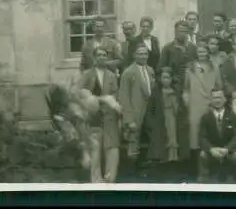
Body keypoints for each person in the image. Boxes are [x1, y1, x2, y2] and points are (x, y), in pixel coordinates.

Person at [74, 46, 122, 183]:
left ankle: (110, 178)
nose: (102, 57)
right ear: (94, 58)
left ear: (107, 58)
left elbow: (115, 94)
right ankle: (96, 180)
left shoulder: (112, 76)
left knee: (112, 148)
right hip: (93, 117)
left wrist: (108, 102)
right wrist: (91, 102)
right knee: (95, 149)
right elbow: (78, 92)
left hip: (109, 115)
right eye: (99, 55)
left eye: (104, 55)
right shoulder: (87, 74)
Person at [159, 21, 198, 167]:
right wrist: (171, 80)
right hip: (173, 91)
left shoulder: (193, 48)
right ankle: (173, 158)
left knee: (188, 122)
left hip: (190, 91)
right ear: (175, 32)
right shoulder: (168, 49)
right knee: (173, 124)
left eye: (185, 31)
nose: (182, 33)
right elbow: (161, 69)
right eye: (179, 31)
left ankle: (189, 156)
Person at [182, 44, 223, 178]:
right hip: (195, 105)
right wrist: (187, 101)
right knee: (195, 137)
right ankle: (199, 171)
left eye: (204, 50)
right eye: (199, 51)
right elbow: (186, 89)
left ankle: (213, 170)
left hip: (210, 105)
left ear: (207, 52)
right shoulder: (190, 68)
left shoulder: (214, 67)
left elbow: (219, 86)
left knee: (210, 134)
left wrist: (216, 102)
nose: (201, 53)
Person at [118, 45, 156, 177]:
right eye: (140, 54)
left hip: (149, 113)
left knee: (151, 140)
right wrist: (128, 120)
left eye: (145, 54)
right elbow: (123, 98)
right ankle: (131, 173)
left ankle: (147, 170)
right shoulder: (128, 73)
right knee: (133, 142)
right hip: (135, 113)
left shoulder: (150, 70)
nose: (143, 56)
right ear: (134, 55)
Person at [198, 89, 236, 183]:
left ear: (225, 99)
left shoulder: (232, 116)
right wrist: (211, 149)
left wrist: (227, 149)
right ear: (211, 100)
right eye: (214, 98)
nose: (217, 100)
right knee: (202, 154)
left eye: (219, 97)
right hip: (213, 151)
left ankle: (232, 176)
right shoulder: (205, 117)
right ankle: (206, 178)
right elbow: (202, 138)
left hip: (228, 150)